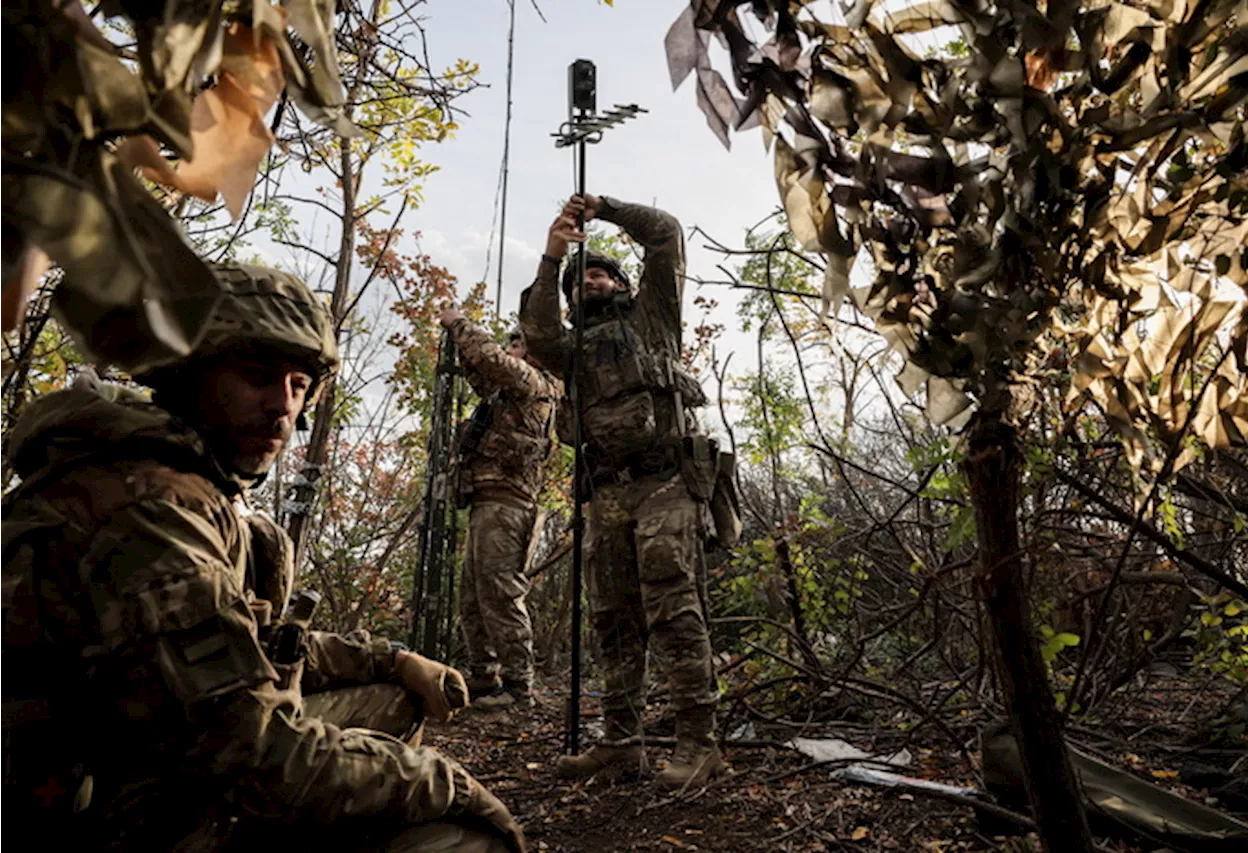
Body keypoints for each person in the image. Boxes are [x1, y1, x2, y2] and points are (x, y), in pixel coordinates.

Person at [0, 263, 526, 852]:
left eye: (299, 384)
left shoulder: (162, 479)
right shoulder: (152, 509)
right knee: (461, 839)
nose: (283, 406)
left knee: (391, 697)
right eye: (256, 377)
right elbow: (255, 755)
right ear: (189, 376)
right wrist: (446, 784)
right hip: (93, 816)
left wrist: (393, 658)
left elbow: (246, 642)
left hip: (129, 763)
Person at [518, 194, 723, 790]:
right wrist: (555, 255)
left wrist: (602, 208)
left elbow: (666, 232)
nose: (588, 282)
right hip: (606, 495)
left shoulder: (653, 317)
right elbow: (536, 331)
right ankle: (622, 744)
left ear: (623, 283)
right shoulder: (569, 350)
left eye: (599, 272)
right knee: (611, 619)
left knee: (673, 610)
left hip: (666, 482)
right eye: (580, 279)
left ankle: (699, 745)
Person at [439, 310, 561, 711]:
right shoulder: (505, 394)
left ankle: (518, 686)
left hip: (508, 503)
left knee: (501, 592)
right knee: (473, 596)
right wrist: (460, 345)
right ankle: (484, 677)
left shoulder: (535, 383)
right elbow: (481, 369)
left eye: (519, 345)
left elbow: (491, 359)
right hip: (487, 501)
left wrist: (459, 324)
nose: (512, 350)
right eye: (511, 344)